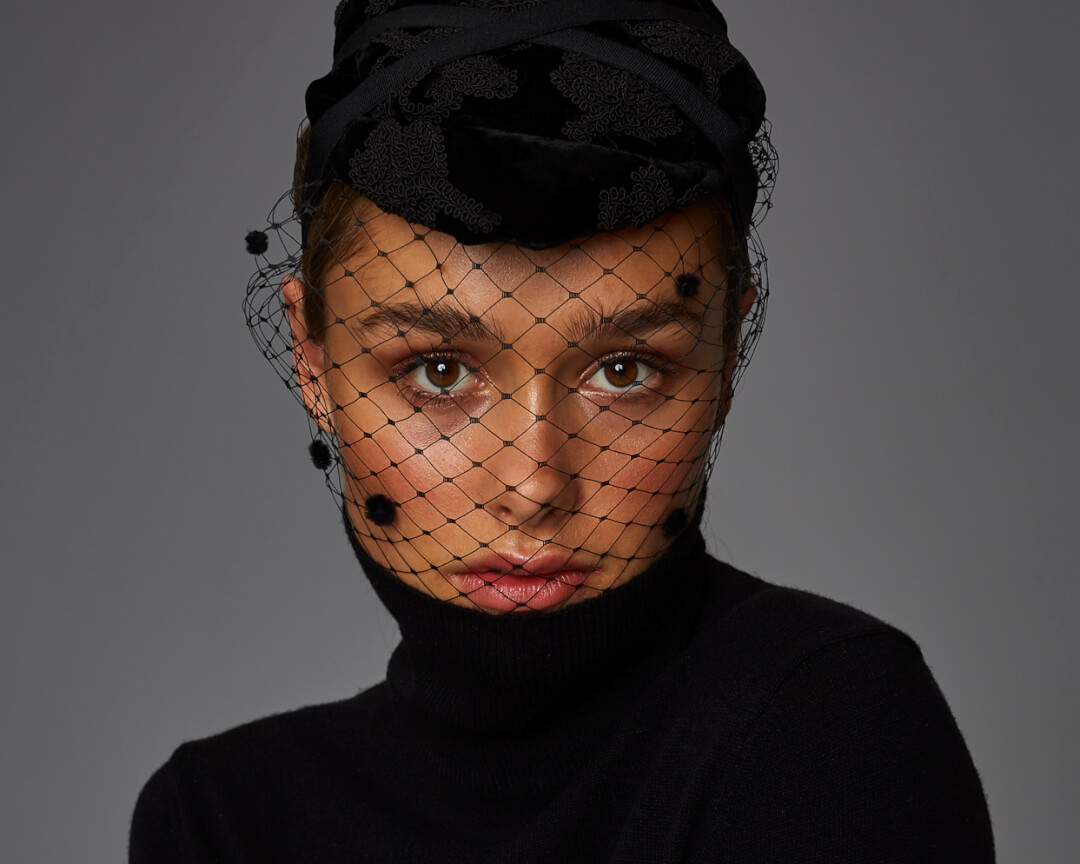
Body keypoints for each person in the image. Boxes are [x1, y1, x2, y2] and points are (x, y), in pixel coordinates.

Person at [129, 1, 996, 861]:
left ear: (726, 359)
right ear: (313, 364)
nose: (535, 484)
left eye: (624, 370)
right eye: (440, 371)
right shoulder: (222, 818)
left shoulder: (828, 722)